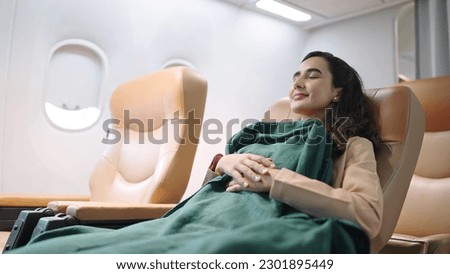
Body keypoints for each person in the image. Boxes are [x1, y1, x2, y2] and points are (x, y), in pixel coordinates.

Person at [8, 51, 382, 254]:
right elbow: (207, 193)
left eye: (313, 74)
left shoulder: (350, 146)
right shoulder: (263, 134)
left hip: (255, 226)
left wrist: (274, 180)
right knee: (58, 245)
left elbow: (366, 215)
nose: (298, 81)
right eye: (296, 75)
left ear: (337, 91)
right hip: (191, 218)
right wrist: (225, 162)